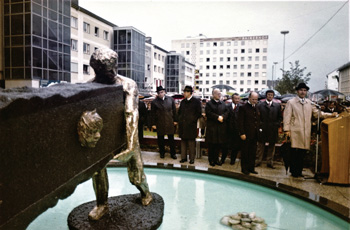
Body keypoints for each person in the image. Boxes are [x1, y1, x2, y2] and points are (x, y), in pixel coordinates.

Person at [88, 47, 152, 220]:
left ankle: (146, 193)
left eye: (111, 69)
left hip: (126, 134)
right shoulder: (89, 86)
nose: (111, 73)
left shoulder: (127, 84)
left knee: (136, 176)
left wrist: (131, 145)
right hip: (102, 136)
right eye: (105, 71)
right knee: (97, 171)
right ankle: (102, 204)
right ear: (96, 69)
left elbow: (131, 114)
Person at [284, 83, 338, 178]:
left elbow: (317, 114)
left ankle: (299, 171)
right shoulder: (291, 102)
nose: (303, 92)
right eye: (301, 90)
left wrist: (331, 115)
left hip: (305, 131)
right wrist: (286, 130)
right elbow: (287, 117)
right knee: (294, 151)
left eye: (305, 90)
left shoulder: (309, 102)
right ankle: (294, 171)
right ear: (297, 91)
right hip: (295, 131)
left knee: (302, 152)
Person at [255, 90, 283, 169]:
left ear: (273, 96)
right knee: (260, 145)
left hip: (273, 128)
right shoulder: (260, 105)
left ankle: (269, 162)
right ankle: (258, 161)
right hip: (263, 128)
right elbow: (257, 117)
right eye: (268, 95)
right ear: (266, 96)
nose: (270, 96)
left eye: (271, 95)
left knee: (272, 146)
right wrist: (260, 125)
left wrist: (277, 124)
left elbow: (280, 117)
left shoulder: (277, 105)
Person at [151, 86, 178, 159]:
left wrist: (175, 120)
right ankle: (162, 153)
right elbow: (152, 114)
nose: (160, 94)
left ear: (165, 92)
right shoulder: (154, 102)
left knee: (171, 139)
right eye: (159, 92)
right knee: (160, 139)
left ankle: (173, 153)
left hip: (169, 122)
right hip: (160, 122)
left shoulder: (170, 99)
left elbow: (174, 110)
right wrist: (153, 124)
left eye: (162, 92)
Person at [178, 86, 202, 164]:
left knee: (191, 143)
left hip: (191, 126)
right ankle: (183, 157)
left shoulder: (196, 101)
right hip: (183, 125)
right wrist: (180, 120)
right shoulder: (183, 102)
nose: (184, 93)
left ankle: (192, 158)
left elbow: (199, 113)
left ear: (189, 92)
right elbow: (180, 112)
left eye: (185, 92)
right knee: (183, 142)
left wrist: (192, 120)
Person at [205, 88, 229, 167]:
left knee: (218, 145)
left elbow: (227, 112)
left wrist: (223, 117)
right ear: (213, 94)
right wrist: (217, 117)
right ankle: (211, 160)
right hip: (212, 128)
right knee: (212, 145)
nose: (219, 94)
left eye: (220, 93)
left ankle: (216, 159)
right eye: (217, 93)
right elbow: (208, 113)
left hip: (220, 128)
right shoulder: (209, 104)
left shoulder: (223, 103)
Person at [238, 91, 260, 175]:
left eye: (256, 99)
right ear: (249, 98)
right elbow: (240, 122)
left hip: (254, 134)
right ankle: (244, 168)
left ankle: (251, 168)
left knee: (252, 152)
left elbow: (257, 120)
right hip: (246, 134)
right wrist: (242, 133)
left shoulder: (257, 107)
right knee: (245, 152)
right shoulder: (243, 108)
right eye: (253, 99)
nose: (255, 101)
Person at [220, 93, 241, 165]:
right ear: (232, 99)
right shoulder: (227, 106)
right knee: (225, 146)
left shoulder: (241, 107)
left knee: (235, 147)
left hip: (236, 131)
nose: (237, 100)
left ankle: (233, 160)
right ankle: (222, 159)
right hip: (227, 130)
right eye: (236, 98)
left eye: (238, 98)